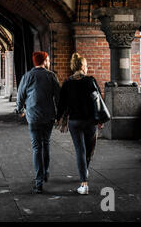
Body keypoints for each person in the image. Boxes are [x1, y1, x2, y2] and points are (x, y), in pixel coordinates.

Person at [56, 53, 104, 195]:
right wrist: (100, 119)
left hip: (74, 122)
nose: (87, 68)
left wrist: (58, 117)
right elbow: (99, 100)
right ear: (82, 66)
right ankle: (84, 179)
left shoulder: (67, 83)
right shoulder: (90, 81)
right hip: (90, 121)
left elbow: (61, 104)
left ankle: (83, 178)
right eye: (87, 66)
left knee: (80, 151)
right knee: (88, 150)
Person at [15, 51, 60, 194]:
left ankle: (39, 181)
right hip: (48, 116)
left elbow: (20, 95)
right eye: (48, 59)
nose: (49, 61)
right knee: (46, 144)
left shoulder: (28, 76)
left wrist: (19, 110)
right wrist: (60, 114)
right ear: (45, 60)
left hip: (33, 116)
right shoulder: (51, 76)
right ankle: (45, 172)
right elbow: (58, 97)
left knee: (36, 147)